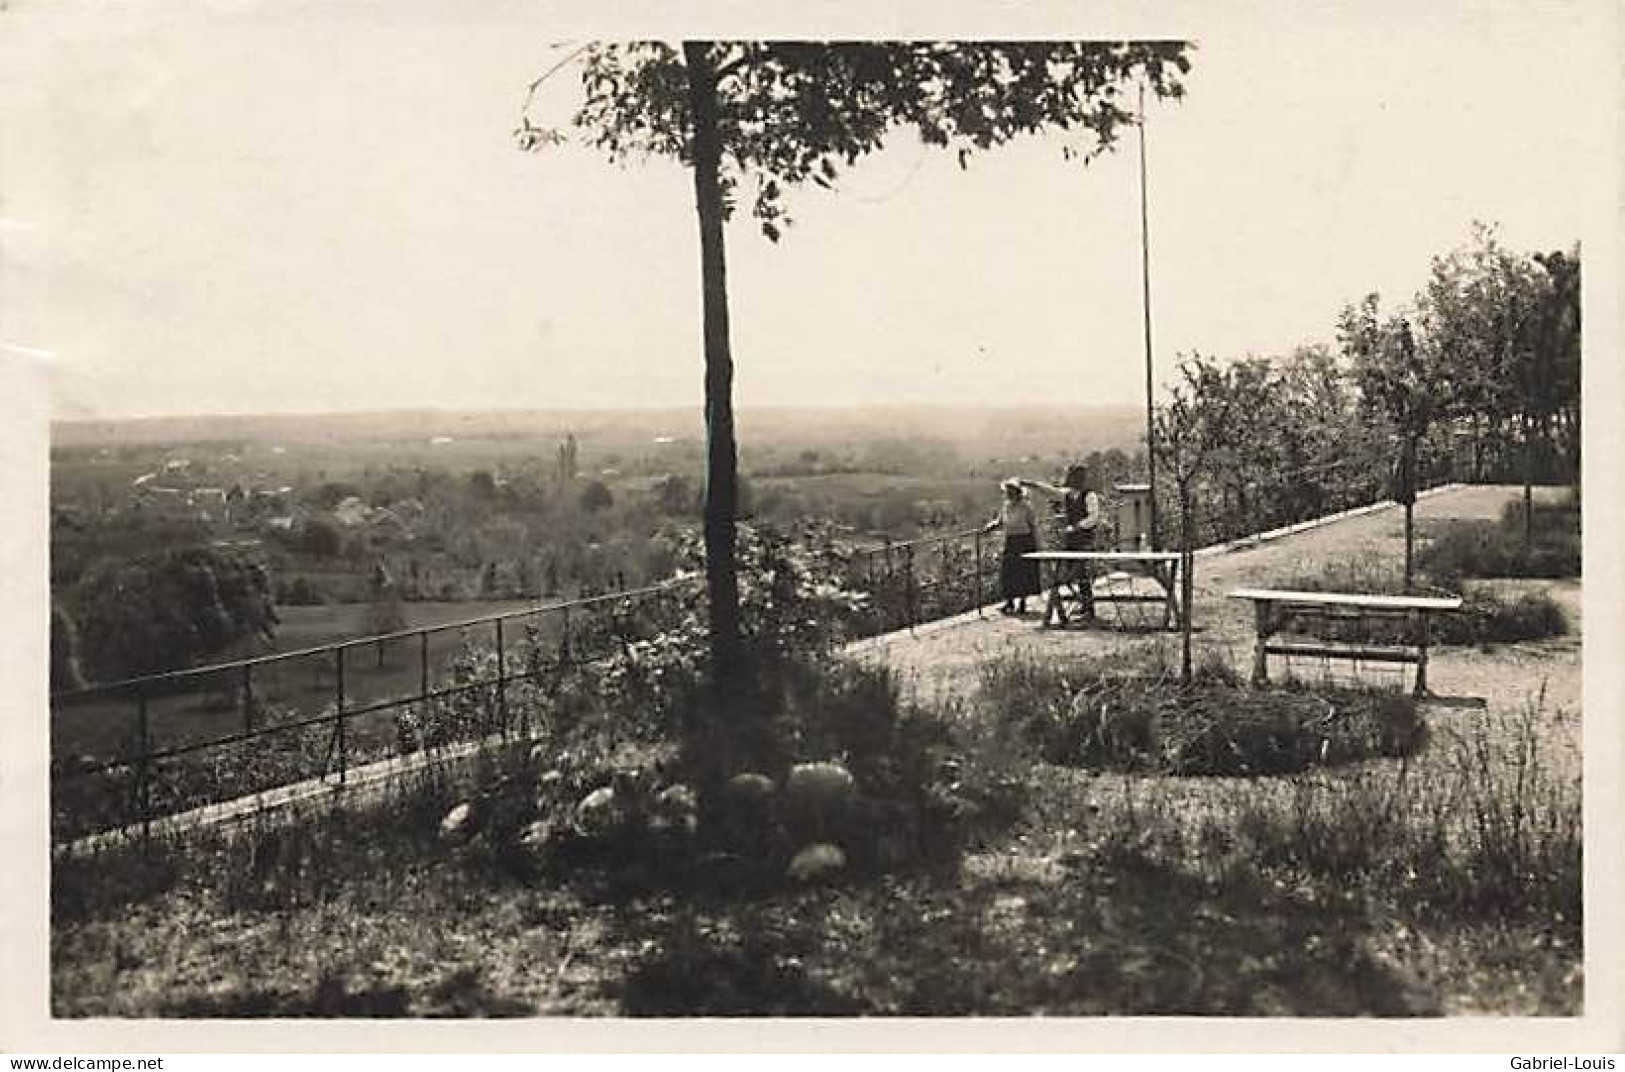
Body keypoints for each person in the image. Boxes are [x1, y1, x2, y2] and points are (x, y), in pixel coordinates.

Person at [1021, 464, 1103, 626]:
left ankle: (1087, 607)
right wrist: (1033, 485)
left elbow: (1093, 517)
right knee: (1071, 574)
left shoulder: (1089, 496)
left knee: (1081, 573)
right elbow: (1050, 491)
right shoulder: (1068, 495)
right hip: (1071, 540)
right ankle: (1083, 604)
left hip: (1085, 540)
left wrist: (1078, 526)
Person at [983, 478, 1041, 615]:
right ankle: (1009, 602)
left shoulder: (1026, 506)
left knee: (1023, 572)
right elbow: (1001, 521)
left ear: (1018, 492)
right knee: (1008, 571)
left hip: (1025, 541)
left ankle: (1022, 602)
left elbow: (1033, 525)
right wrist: (990, 526)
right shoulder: (1006, 506)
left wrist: (1038, 544)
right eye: (1007, 491)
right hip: (1011, 541)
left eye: (1011, 491)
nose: (1009, 494)